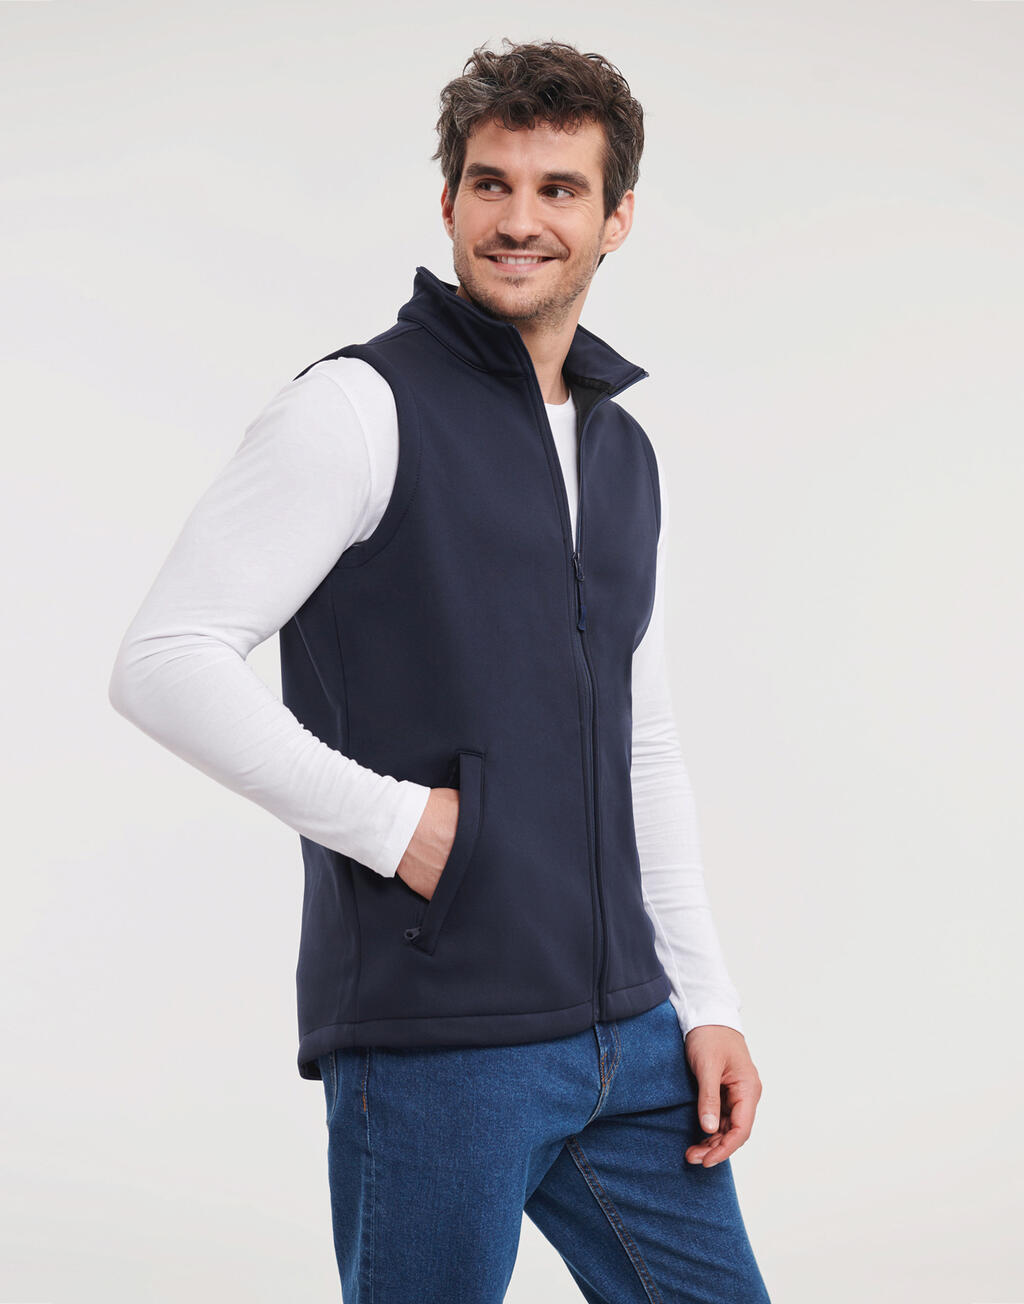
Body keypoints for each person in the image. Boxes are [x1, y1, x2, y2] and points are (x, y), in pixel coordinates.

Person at [109, 36, 772, 1304]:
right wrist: (398, 823)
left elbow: (639, 737)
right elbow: (164, 658)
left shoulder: (622, 450)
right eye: (490, 184)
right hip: (440, 1039)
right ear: (451, 201)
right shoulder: (357, 407)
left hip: (632, 1035)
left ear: (617, 216)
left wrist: (705, 998)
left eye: (558, 188)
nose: (518, 219)